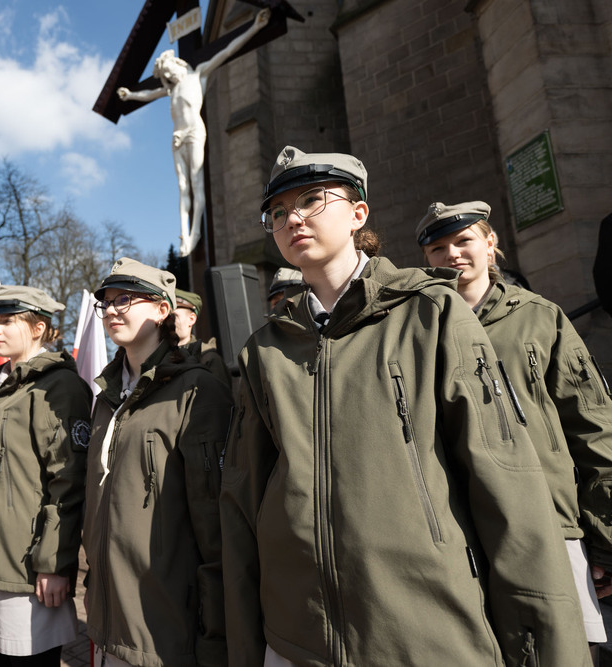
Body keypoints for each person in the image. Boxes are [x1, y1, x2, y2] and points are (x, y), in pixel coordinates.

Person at [220, 146, 589, 665]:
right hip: (297, 637)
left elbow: (506, 481)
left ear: (358, 214)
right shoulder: (264, 350)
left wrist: (544, 644)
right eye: (277, 213)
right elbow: (242, 504)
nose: (292, 218)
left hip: (423, 631)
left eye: (311, 200)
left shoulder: (431, 311)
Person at [417, 200, 612, 655]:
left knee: (563, 651)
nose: (453, 255)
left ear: (490, 243)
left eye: (463, 241)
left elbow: (592, 428)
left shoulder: (539, 318)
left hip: (551, 525)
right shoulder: (419, 329)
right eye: (438, 248)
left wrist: (605, 538)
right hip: (463, 533)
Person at [84, 259, 233, 666]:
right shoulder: (107, 397)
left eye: (125, 298)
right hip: (107, 620)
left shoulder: (197, 392)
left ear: (163, 309)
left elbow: (215, 531)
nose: (112, 309)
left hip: (166, 633)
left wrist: (215, 638)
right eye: (107, 302)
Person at [0, 285, 91, 667]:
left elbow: (69, 482)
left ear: (37, 327)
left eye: (7, 321)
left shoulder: (57, 387)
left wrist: (54, 563)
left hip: (28, 570)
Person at [117, 8, 270, 257]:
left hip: (194, 132)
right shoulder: (171, 89)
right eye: (166, 75)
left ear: (178, 65)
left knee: (196, 181)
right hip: (177, 137)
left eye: (170, 71)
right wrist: (131, 95)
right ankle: (185, 234)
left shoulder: (198, 75)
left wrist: (255, 27)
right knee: (181, 185)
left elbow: (228, 50)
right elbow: (148, 94)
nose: (169, 76)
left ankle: (196, 232)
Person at [174, 288, 230, 386]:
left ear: (191, 319)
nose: (168, 322)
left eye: (173, 316)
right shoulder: (157, 355)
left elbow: (218, 399)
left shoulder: (207, 358)